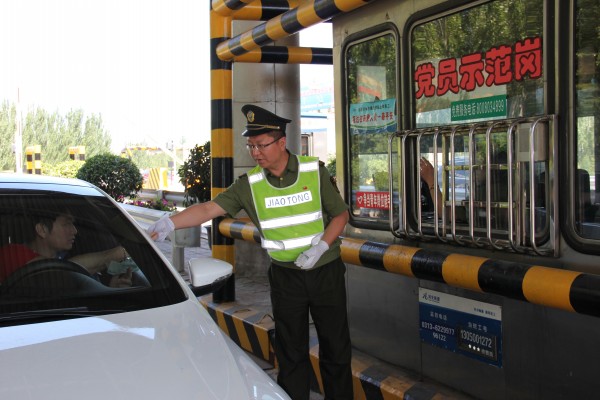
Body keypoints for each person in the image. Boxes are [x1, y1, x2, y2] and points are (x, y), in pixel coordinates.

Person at [147, 104, 353, 400]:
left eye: (261, 145)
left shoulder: (313, 171)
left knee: (336, 349)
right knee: (290, 353)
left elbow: (341, 214)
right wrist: (169, 222)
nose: (255, 152)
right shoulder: (250, 185)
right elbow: (209, 209)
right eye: (251, 146)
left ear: (281, 142)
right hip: (285, 277)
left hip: (326, 272)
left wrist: (321, 247)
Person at [0, 210, 132, 288]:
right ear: (42, 230)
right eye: (67, 224)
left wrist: (110, 289)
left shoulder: (64, 255)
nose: (74, 230)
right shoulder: (11, 253)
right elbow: (55, 273)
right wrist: (116, 254)